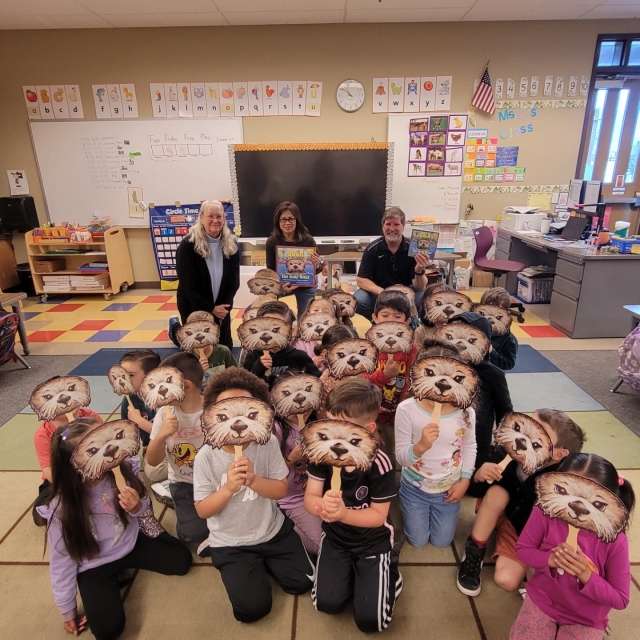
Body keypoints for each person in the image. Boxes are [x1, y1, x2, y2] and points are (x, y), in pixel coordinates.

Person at [37, 418, 192, 640]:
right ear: (74, 464)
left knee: (181, 560)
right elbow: (61, 560)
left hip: (130, 542)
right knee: (108, 631)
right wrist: (67, 608)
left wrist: (137, 506)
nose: (107, 451)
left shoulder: (123, 469)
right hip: (94, 563)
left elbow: (143, 508)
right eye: (94, 450)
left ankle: (125, 569)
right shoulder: (62, 507)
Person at [194, 367, 313, 623]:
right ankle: (234, 562)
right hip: (231, 542)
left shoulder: (267, 442)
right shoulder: (205, 456)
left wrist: (254, 481)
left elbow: (280, 489)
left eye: (247, 409)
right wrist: (228, 489)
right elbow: (203, 509)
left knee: (303, 584)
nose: (237, 421)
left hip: (272, 531)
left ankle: (262, 565)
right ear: (212, 414)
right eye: (226, 410)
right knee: (252, 611)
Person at [305, 378, 402, 633]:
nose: (335, 437)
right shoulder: (320, 451)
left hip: (372, 541)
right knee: (326, 603)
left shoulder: (380, 462)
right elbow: (310, 499)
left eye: (344, 428)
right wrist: (321, 505)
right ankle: (355, 576)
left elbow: (378, 517)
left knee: (372, 623)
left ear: (369, 429)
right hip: (336, 539)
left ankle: (390, 574)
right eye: (329, 422)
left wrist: (343, 513)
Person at [457, 409, 586, 597]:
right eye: (527, 425)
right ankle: (474, 550)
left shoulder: (562, 484)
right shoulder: (506, 450)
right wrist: (478, 476)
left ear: (559, 454)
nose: (526, 435)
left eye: (539, 433)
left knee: (506, 580)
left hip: (527, 533)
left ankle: (506, 543)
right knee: (497, 494)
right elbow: (476, 492)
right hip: (499, 510)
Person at [510, 453, 633, 640]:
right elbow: (523, 550)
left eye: (596, 502)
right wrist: (548, 560)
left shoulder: (616, 540)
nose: (577, 506)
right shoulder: (545, 510)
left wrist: (586, 575)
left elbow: (620, 598)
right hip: (543, 600)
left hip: (587, 617)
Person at [395, 342, 476, 550]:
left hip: (449, 490)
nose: (442, 384)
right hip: (414, 488)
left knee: (442, 542)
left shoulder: (466, 412)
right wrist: (421, 446)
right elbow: (401, 457)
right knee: (417, 541)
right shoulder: (406, 410)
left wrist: (465, 480)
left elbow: (470, 445)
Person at [145, 352, 208, 547]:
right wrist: (162, 435)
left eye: (166, 386)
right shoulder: (164, 414)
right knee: (192, 535)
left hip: (216, 480)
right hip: (184, 482)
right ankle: (169, 493)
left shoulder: (215, 411)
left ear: (187, 386)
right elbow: (152, 461)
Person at [447, 312, 513, 472]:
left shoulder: (493, 374)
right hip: (444, 437)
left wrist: (502, 449)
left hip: (477, 441)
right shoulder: (443, 367)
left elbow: (505, 414)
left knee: (475, 486)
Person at [175, 200, 240, 350]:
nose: (215, 220)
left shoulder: (231, 243)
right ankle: (174, 330)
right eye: (210, 216)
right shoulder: (187, 246)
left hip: (221, 308)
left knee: (223, 347)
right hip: (194, 306)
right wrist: (211, 307)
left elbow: (234, 281)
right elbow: (188, 285)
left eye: (219, 216)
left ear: (224, 218)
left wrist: (224, 307)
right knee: (198, 347)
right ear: (201, 217)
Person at [271, 372, 323, 555]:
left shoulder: (316, 423)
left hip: (318, 491)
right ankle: (281, 526)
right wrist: (291, 459)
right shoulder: (275, 431)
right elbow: (271, 478)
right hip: (291, 500)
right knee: (320, 546)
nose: (301, 408)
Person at [32, 393, 103, 527]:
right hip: (62, 478)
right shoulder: (43, 434)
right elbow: (50, 472)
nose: (66, 401)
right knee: (41, 514)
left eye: (71, 393)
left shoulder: (91, 417)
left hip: (96, 470)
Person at [363, 290, 418, 450]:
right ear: (374, 318)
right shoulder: (367, 347)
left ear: (407, 321)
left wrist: (400, 414)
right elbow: (362, 381)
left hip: (396, 416)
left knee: (392, 455)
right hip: (370, 414)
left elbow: (409, 382)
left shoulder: (410, 348)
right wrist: (384, 375)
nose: (390, 321)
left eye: (397, 316)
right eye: (385, 315)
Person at [355, 207, 430, 321]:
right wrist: (383, 292)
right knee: (359, 299)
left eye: (396, 224)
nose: (392, 228)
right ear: (382, 226)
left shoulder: (414, 248)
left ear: (403, 227)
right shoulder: (372, 249)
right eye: (388, 224)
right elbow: (361, 280)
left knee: (426, 299)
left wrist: (419, 270)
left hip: (407, 291)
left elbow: (420, 286)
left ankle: (410, 323)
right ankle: (377, 321)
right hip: (380, 290)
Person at [265, 201, 322, 317]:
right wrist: (280, 287)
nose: (287, 223)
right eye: (283, 219)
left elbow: (317, 270)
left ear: (297, 220)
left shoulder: (308, 240)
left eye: (291, 219)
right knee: (268, 311)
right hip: (282, 285)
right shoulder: (271, 241)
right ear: (278, 222)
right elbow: (270, 270)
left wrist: (317, 265)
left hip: (305, 286)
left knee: (306, 318)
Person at [243, 301, 321, 383]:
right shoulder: (254, 355)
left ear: (291, 331)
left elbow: (317, 381)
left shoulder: (300, 357)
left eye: (278, 328)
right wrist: (257, 367)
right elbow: (244, 385)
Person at [315, 324, 360, 417]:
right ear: (325, 354)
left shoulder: (359, 373)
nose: (351, 359)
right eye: (342, 354)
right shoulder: (324, 384)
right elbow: (323, 418)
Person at [294, 296, 342, 370]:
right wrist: (312, 363)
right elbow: (297, 365)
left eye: (325, 311)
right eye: (316, 310)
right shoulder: (300, 341)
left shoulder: (339, 339)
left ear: (334, 318)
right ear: (308, 315)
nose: (320, 312)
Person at [480, 287, 519, 371]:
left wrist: (491, 351)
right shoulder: (475, 326)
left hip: (493, 377)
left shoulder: (509, 339)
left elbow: (509, 363)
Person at [413, 282, 454, 349]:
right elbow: (416, 356)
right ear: (425, 306)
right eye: (437, 301)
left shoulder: (459, 329)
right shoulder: (421, 331)